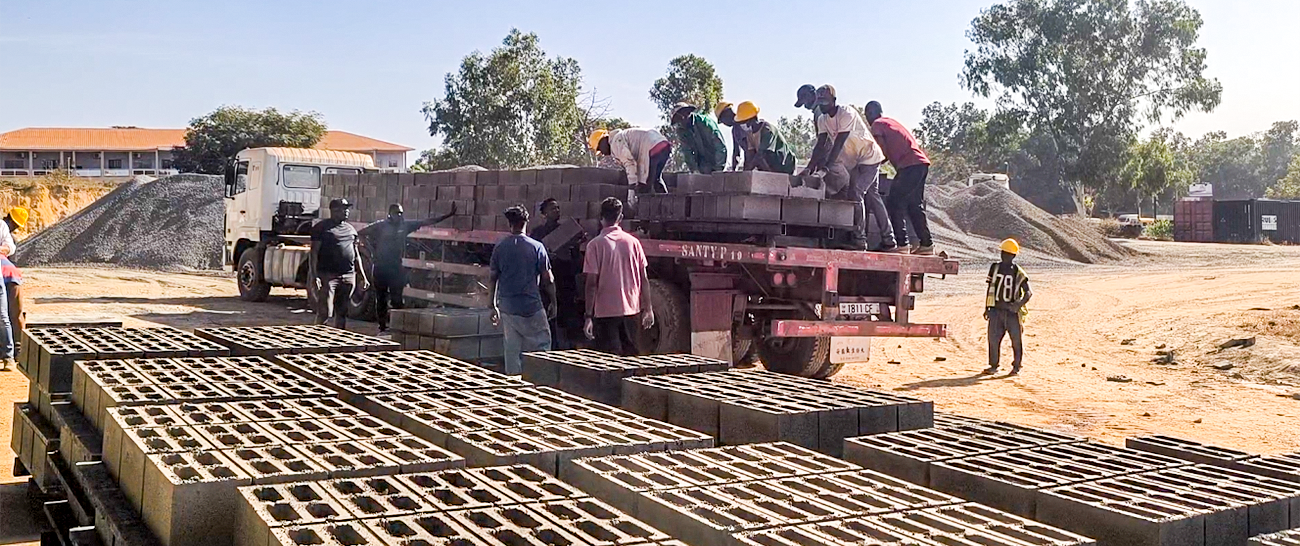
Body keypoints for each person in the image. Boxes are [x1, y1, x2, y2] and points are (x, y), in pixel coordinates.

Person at [801, 86, 897, 251]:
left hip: (869, 157)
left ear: (834, 101)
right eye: (820, 103)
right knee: (873, 197)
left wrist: (825, 169)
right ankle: (889, 240)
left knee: (855, 193)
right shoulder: (822, 119)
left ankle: (859, 240)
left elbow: (839, 142)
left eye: (825, 102)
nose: (823, 106)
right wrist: (808, 168)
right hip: (855, 162)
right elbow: (821, 144)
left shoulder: (847, 113)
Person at [359, 203, 456, 333]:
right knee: (381, 298)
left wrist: (448, 215)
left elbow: (426, 222)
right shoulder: (380, 225)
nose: (399, 216)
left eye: (400, 213)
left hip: (396, 268)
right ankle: (382, 326)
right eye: (396, 213)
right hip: (380, 267)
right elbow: (360, 233)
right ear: (390, 214)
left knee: (397, 299)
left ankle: (398, 326)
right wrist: (370, 250)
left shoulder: (405, 226)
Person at [488, 205, 556, 375]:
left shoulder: (500, 247)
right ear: (526, 222)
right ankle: (540, 382)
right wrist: (554, 302)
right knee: (542, 345)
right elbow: (549, 279)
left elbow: (492, 278)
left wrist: (492, 305)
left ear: (509, 224)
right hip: (531, 306)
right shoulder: (537, 247)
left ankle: (513, 388)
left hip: (508, 308)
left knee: (512, 350)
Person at [583, 198, 653, 356]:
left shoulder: (595, 245)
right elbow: (644, 279)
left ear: (601, 218)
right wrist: (648, 308)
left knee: (608, 362)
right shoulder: (634, 243)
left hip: (605, 313)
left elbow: (591, 284)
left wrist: (588, 316)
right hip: (632, 312)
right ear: (620, 218)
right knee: (631, 360)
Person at [867, 101, 934, 255]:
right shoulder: (890, 122)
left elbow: (880, 152)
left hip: (909, 166)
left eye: (867, 114)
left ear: (871, 113)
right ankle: (926, 245)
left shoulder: (877, 125)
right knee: (914, 205)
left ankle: (902, 244)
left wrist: (865, 165)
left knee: (894, 202)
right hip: (920, 164)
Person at [309, 199, 369, 330]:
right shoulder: (321, 228)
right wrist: (315, 276)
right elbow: (313, 253)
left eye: (347, 209)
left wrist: (362, 276)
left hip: (348, 276)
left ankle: (339, 337)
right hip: (328, 276)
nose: (346, 212)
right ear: (333, 211)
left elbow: (356, 254)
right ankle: (318, 337)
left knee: (342, 312)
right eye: (342, 209)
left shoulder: (351, 230)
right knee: (325, 312)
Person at [530, 198, 580, 350]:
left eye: (558, 208)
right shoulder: (538, 233)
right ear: (544, 214)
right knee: (549, 316)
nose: (556, 211)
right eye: (552, 209)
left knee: (566, 316)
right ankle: (551, 347)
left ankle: (567, 347)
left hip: (565, 280)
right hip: (547, 282)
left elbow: (576, 258)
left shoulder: (566, 230)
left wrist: (574, 247)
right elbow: (533, 258)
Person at [983, 238, 1032, 376]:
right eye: (1003, 253)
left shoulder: (1018, 272)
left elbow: (1028, 293)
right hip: (996, 310)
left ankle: (1016, 366)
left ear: (1013, 256)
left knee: (1016, 340)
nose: (1004, 256)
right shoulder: (994, 268)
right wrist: (987, 307)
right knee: (993, 339)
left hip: (1012, 313)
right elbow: (990, 288)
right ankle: (994, 365)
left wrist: (1018, 305)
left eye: (1008, 254)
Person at [590, 128, 673, 194]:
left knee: (644, 187)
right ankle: (669, 207)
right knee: (656, 180)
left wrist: (631, 189)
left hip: (652, 147)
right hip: (663, 144)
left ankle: (644, 212)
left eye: (599, 149)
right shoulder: (622, 136)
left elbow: (630, 163)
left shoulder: (616, 142)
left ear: (603, 140)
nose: (602, 153)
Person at [734, 101, 796, 174]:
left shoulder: (767, 130)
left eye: (744, 122)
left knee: (765, 157)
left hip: (784, 165)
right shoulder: (749, 133)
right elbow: (750, 155)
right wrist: (745, 174)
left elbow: (761, 154)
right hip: (769, 164)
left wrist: (767, 176)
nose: (742, 125)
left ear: (752, 119)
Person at [670, 102, 727, 175]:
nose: (680, 122)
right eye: (677, 120)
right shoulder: (681, 131)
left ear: (687, 113)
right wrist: (694, 170)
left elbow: (720, 146)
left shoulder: (705, 123)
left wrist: (718, 170)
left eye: (680, 118)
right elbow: (687, 152)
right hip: (703, 166)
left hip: (716, 161)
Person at [0, 207, 25, 370]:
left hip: (9, 275)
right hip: (10, 273)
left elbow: (10, 249)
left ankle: (16, 352)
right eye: (14, 225)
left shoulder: (5, 234)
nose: (14, 228)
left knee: (9, 315)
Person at [714, 101, 748, 171]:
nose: (724, 123)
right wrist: (733, 170)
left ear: (727, 113)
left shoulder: (744, 121)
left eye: (722, 120)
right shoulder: (735, 129)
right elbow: (736, 152)